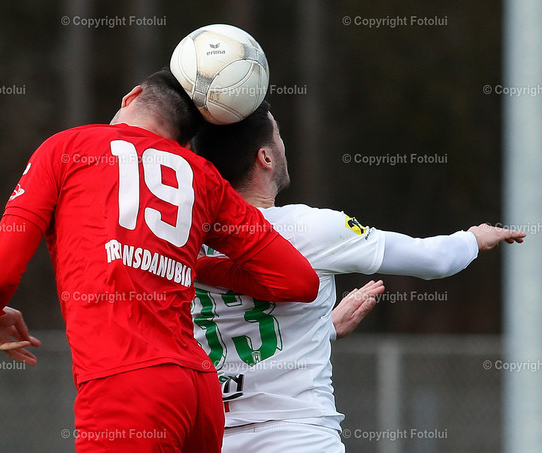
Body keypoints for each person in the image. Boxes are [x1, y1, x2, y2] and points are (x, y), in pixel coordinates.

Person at [0, 70, 321, 453]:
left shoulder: (67, 147)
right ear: (184, 140)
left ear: (131, 95)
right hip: (200, 390)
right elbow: (299, 281)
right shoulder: (203, 177)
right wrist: (197, 267)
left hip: (126, 383)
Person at [190, 100, 526, 452]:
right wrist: (473, 239)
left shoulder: (184, 236)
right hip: (297, 436)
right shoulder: (311, 228)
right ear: (266, 158)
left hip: (213, 437)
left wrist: (323, 328)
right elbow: (435, 261)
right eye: (277, 136)